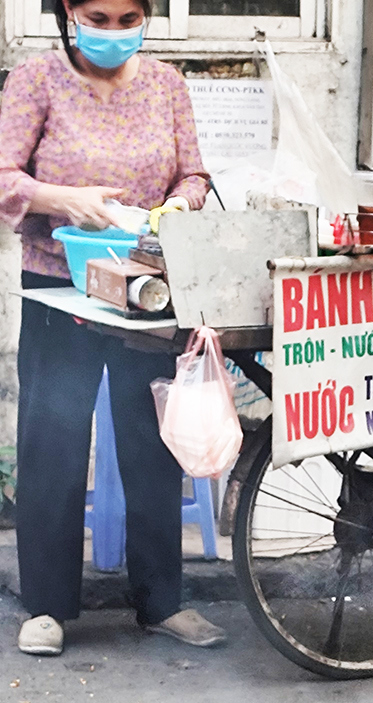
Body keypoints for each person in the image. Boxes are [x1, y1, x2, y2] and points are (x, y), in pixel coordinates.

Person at [0, 0, 227, 655]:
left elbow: (193, 173)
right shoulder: (34, 82)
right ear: (70, 11)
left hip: (148, 284)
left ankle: (161, 602)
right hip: (59, 281)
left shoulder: (166, 85)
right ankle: (45, 607)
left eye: (128, 15)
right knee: (53, 441)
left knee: (152, 439)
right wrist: (59, 199)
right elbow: (5, 174)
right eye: (99, 14)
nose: (113, 27)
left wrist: (179, 204)